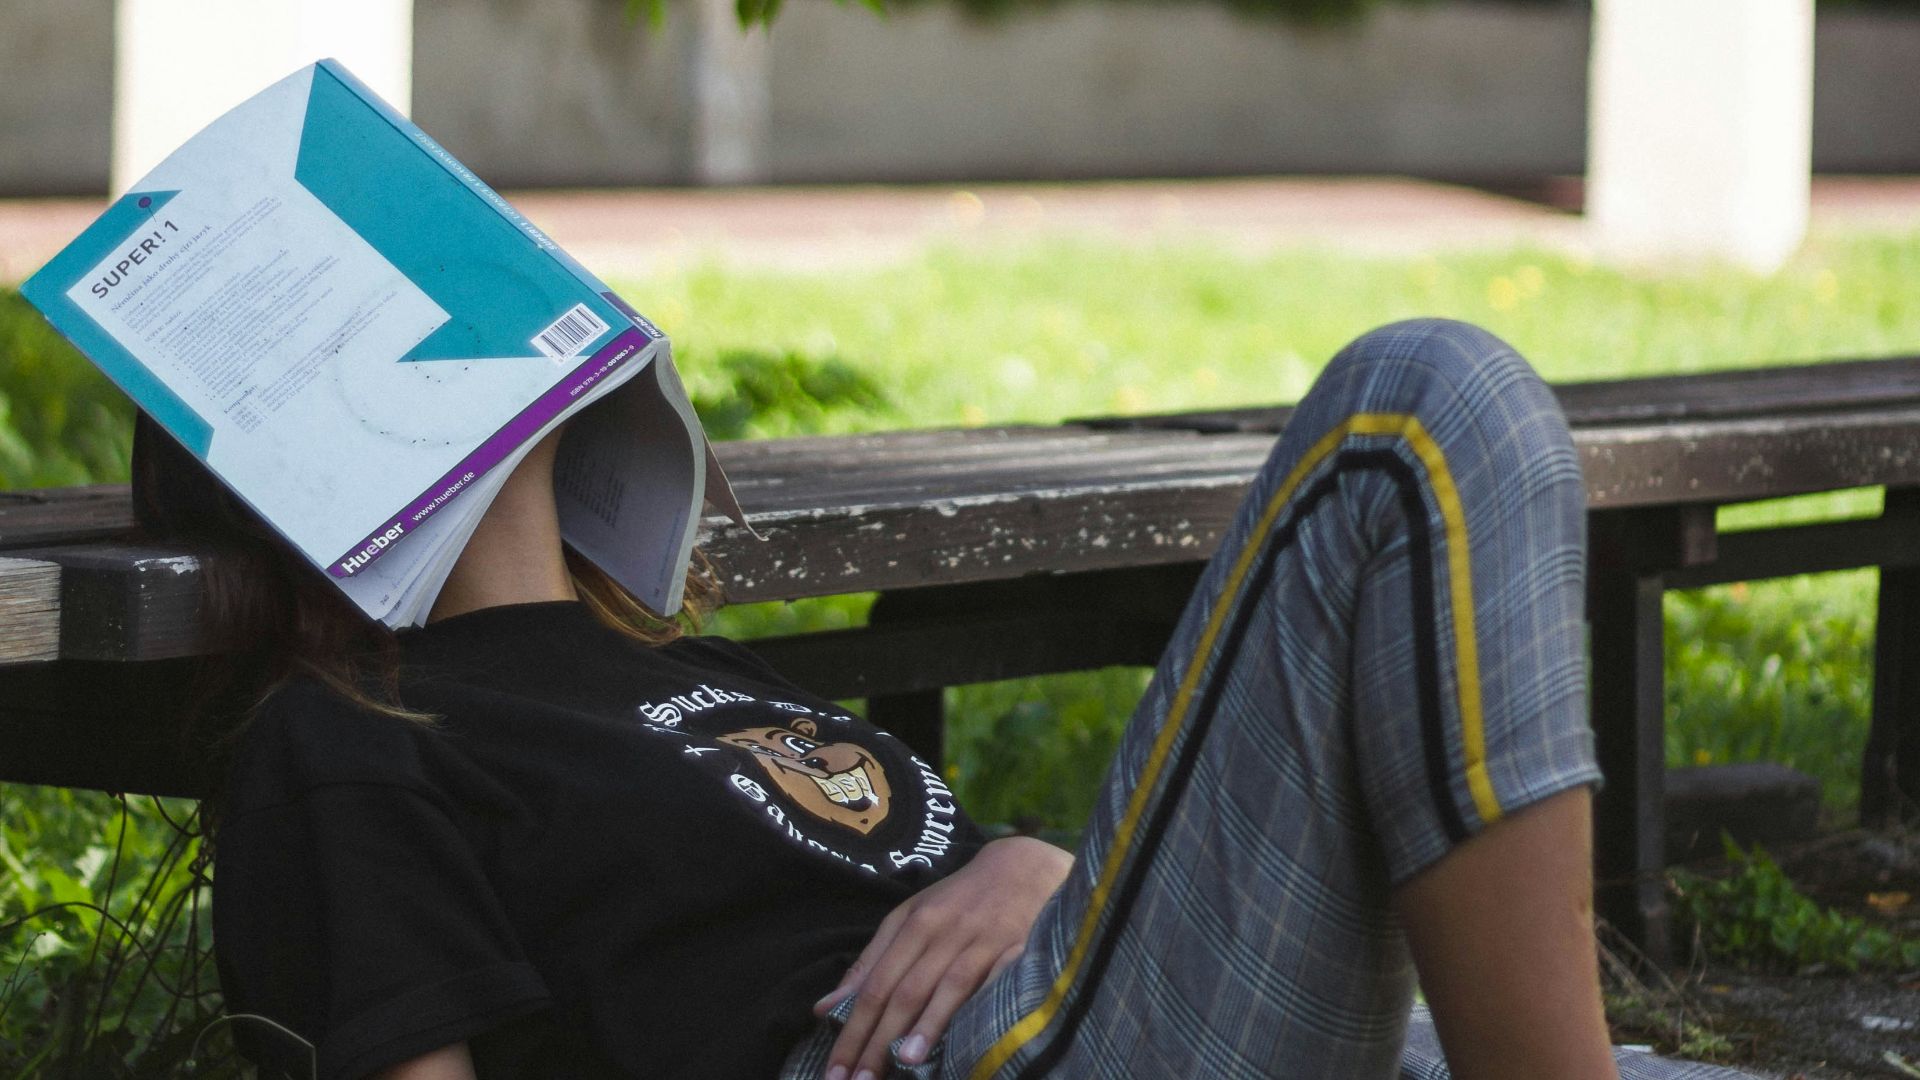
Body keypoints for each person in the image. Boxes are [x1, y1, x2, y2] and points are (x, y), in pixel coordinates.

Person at [134, 318, 1748, 1080]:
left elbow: (915, 887)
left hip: (1097, 1017)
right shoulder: (349, 733)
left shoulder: (680, 669)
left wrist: (1034, 867)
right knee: (1422, 409)